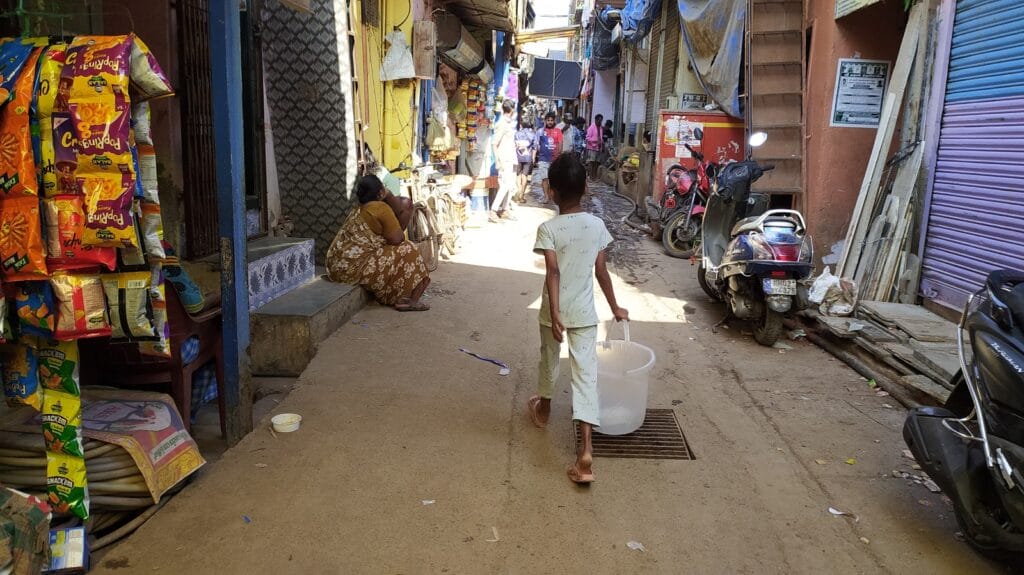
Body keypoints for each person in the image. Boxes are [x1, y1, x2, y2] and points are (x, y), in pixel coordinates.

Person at [526, 155, 629, 484]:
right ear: (586, 188)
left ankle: (543, 409)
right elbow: (601, 272)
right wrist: (615, 306)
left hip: (553, 310)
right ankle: (585, 454)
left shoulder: (548, 228)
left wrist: (555, 312)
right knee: (586, 377)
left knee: (549, 360)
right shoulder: (597, 225)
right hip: (585, 314)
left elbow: (553, 272)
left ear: (551, 191)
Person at [326, 175, 431, 311]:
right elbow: (398, 239)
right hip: (353, 269)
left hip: (336, 267)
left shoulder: (359, 209)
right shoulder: (380, 208)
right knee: (409, 249)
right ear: (381, 192)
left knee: (394, 251)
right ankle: (410, 300)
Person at [490, 100, 519, 222]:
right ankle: (493, 210)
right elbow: (494, 143)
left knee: (510, 186)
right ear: (512, 110)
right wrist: (497, 160)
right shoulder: (502, 123)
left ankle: (505, 209)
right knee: (505, 185)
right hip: (504, 159)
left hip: (510, 157)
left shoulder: (508, 123)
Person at [533, 111, 563, 198]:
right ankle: (546, 196)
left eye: (551, 120)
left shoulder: (558, 131)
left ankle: (551, 193)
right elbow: (536, 144)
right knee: (544, 178)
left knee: (553, 179)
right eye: (548, 120)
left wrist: (558, 155)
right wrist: (534, 157)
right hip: (543, 159)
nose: (550, 122)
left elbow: (560, 143)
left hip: (555, 160)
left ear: (554, 121)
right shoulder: (540, 131)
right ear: (545, 121)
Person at [514, 119, 536, 203]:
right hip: (527, 157)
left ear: (521, 125)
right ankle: (522, 196)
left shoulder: (516, 134)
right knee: (525, 176)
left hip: (517, 157)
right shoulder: (532, 134)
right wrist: (533, 158)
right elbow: (534, 148)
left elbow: (514, 145)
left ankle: (519, 189)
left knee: (518, 175)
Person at [585, 114, 604, 181]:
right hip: (592, 147)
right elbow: (587, 138)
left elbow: (601, 137)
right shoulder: (591, 127)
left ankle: (594, 176)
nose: (600, 122)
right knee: (592, 162)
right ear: (595, 120)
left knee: (597, 163)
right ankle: (590, 176)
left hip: (599, 148)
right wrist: (595, 141)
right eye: (598, 120)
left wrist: (602, 143)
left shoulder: (601, 128)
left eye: (601, 120)